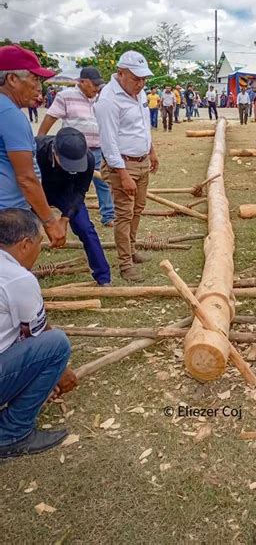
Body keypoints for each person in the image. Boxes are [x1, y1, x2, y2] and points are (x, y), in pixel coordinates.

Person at [0, 209, 77, 458]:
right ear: (25, 244)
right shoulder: (17, 278)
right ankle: (12, 433)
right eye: (39, 245)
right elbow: (38, 333)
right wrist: (61, 372)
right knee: (56, 345)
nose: (39, 252)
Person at [94, 50, 159, 282]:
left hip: (141, 161)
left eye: (143, 79)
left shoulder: (138, 93)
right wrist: (122, 174)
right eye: (135, 78)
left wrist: (151, 151)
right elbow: (109, 142)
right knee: (124, 214)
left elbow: (143, 125)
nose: (141, 84)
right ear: (120, 73)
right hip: (122, 165)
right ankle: (125, 264)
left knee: (138, 208)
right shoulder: (108, 100)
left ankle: (131, 249)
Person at [0, 44, 66, 248]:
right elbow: (26, 177)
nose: (40, 87)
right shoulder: (10, 115)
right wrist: (50, 221)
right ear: (12, 79)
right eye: (35, 78)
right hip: (8, 216)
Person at [38, 66, 115, 228]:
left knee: (103, 183)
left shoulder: (101, 98)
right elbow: (50, 117)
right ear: (82, 82)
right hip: (73, 153)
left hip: (98, 149)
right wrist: (40, 139)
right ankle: (72, 216)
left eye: (98, 85)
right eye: (94, 85)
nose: (96, 88)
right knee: (72, 185)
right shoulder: (65, 96)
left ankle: (108, 215)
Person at [36, 128, 111, 286]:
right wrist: (47, 220)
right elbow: (25, 181)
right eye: (68, 163)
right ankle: (16, 276)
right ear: (55, 151)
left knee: (85, 228)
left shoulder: (88, 159)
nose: (72, 167)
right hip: (36, 191)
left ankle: (103, 277)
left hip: (67, 193)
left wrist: (64, 219)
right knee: (23, 231)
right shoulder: (36, 150)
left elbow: (80, 191)